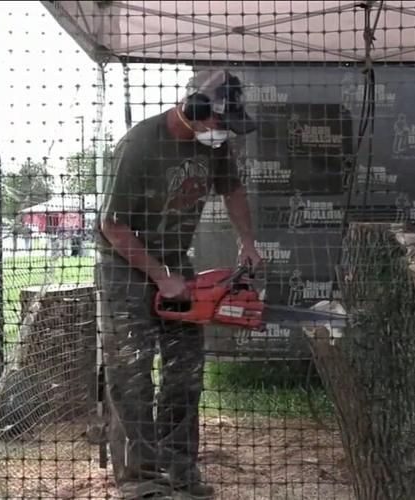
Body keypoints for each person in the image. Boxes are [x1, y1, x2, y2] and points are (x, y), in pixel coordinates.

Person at [96, 69, 261, 500]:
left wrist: (247, 242)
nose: (223, 133)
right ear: (194, 108)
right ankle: (142, 481)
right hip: (125, 266)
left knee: (185, 371)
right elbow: (111, 224)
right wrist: (159, 277)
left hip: (176, 261)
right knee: (131, 371)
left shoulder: (217, 144)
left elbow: (233, 188)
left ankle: (180, 472)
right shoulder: (142, 144)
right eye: (219, 123)